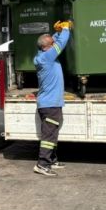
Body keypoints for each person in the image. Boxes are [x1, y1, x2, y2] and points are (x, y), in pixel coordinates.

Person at [32, 20, 72, 177]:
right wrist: (66, 30)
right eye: (51, 43)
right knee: (49, 136)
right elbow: (60, 44)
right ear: (45, 47)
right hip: (50, 105)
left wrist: (57, 31)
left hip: (49, 103)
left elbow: (52, 42)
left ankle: (52, 160)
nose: (54, 43)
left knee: (52, 133)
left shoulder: (43, 55)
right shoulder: (47, 57)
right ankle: (42, 164)